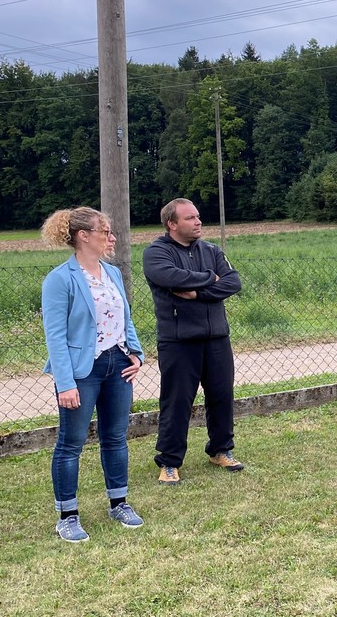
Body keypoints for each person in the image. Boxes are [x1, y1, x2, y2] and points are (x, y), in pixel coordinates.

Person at [40, 207, 145, 542]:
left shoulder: (112, 273)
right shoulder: (60, 279)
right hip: (81, 371)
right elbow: (55, 335)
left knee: (115, 437)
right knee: (71, 444)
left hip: (118, 365)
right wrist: (65, 382)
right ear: (83, 236)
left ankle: (119, 502)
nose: (111, 237)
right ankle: (67, 515)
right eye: (105, 231)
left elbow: (125, 318)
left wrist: (136, 353)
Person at [143, 198, 244, 485]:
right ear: (172, 224)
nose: (198, 221)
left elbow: (233, 282)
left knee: (221, 395)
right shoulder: (156, 253)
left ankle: (220, 450)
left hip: (216, 338)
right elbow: (169, 277)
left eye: (198, 216)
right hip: (178, 341)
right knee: (177, 401)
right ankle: (170, 462)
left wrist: (199, 292)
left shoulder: (211, 250)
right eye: (190, 218)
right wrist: (208, 278)